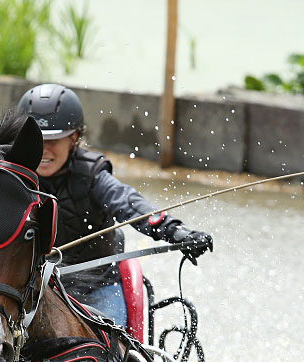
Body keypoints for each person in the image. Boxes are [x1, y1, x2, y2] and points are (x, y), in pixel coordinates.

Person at [16, 83, 213, 326]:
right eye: (38, 139)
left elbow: (129, 203)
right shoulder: (10, 178)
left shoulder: (93, 176)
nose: (44, 150)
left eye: (55, 140)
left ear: (75, 137)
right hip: (31, 293)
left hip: (96, 288)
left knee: (110, 353)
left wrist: (175, 230)